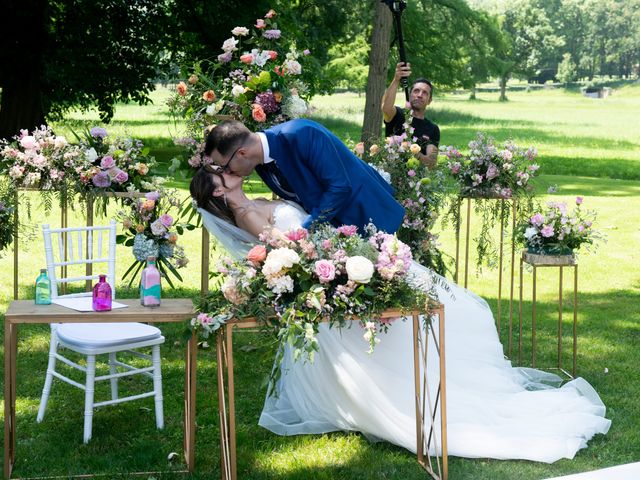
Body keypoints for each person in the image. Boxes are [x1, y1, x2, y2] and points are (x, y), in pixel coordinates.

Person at [190, 169, 611, 464]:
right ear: (219, 194)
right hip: (332, 267)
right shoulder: (246, 213)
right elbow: (291, 249)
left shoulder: (258, 199)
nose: (227, 171)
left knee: (447, 309)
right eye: (220, 176)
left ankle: (435, 383)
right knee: (417, 322)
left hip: (343, 255)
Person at [202, 118, 405, 234]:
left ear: (242, 153)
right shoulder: (260, 165)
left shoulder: (301, 134)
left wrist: (304, 232)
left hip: (372, 216)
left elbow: (340, 187)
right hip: (337, 234)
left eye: (225, 166)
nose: (226, 172)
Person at [382, 62, 440, 168]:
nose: (419, 95)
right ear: (409, 95)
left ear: (429, 100)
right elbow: (385, 108)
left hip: (416, 181)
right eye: (416, 91)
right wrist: (396, 79)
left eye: (425, 93)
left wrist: (412, 149)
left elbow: (431, 163)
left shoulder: (433, 129)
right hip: (390, 175)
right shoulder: (398, 114)